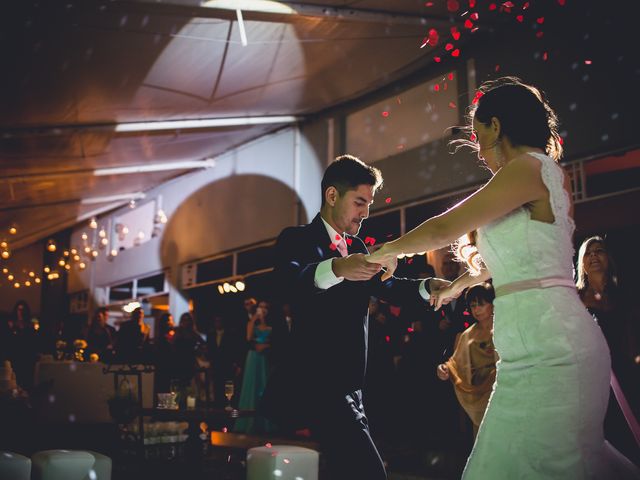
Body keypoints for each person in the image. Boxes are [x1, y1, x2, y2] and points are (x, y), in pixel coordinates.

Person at [368, 77, 638, 478]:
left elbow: (445, 228)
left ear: (497, 126)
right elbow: (517, 260)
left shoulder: (531, 168)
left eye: (479, 136)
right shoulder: (526, 176)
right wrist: (459, 284)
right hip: (525, 352)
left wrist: (384, 252)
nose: (478, 149)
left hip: (553, 350)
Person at [262, 154, 444, 480]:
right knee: (369, 472)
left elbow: (390, 289)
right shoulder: (296, 239)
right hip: (317, 384)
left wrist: (430, 286)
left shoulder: (357, 244)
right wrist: (337, 268)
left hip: (353, 387)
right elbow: (289, 284)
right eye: (360, 201)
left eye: (369, 203)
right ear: (332, 196)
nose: (366, 212)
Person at [576, 236, 640, 464]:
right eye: (588, 252)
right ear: (581, 262)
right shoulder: (574, 299)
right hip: (593, 379)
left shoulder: (626, 292)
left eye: (599, 251)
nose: (593, 255)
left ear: (608, 258)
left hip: (628, 372)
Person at [437, 282, 498, 439]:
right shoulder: (468, 334)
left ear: (493, 304)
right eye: (473, 305)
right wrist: (444, 369)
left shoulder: (503, 328)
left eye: (481, 304)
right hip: (478, 392)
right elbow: (455, 363)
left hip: (502, 389)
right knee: (484, 437)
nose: (476, 309)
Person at [234, 300, 274, 433]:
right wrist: (255, 318)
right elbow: (248, 337)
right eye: (260, 307)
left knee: (263, 384)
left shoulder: (271, 325)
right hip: (253, 357)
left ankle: (265, 422)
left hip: (264, 358)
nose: (262, 309)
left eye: (265, 307)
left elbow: (274, 341)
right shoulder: (251, 323)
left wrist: (267, 346)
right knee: (251, 386)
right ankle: (248, 421)